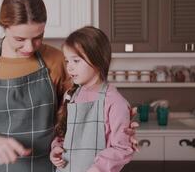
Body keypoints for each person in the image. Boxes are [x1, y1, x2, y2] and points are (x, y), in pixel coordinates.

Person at [0, 0, 138, 172]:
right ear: (4, 26)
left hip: (52, 166)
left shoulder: (56, 59)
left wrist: (118, 128)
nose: (29, 47)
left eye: (38, 37)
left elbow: (78, 113)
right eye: (19, 39)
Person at [50, 26, 134, 172]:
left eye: (76, 61)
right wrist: (56, 148)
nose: (69, 68)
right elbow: (64, 134)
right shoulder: (70, 95)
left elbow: (122, 148)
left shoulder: (115, 101)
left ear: (97, 59)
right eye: (67, 61)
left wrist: (97, 169)